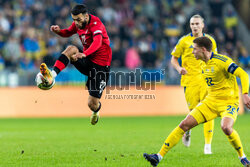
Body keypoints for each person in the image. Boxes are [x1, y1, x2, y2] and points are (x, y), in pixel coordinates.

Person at [143, 36, 250, 167]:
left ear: (203, 49)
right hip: (210, 102)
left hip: (228, 102)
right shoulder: (201, 63)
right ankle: (158, 157)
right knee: (184, 124)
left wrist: (245, 94)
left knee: (226, 127)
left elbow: (243, 75)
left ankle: (242, 157)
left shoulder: (222, 61)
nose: (192, 52)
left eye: (194, 49)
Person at [38, 4, 112, 125]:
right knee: (71, 49)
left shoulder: (96, 24)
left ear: (86, 16)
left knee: (92, 104)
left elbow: (98, 42)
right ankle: (52, 75)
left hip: (100, 67)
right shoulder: (78, 23)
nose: (76, 23)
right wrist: (58, 31)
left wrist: (85, 53)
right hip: (88, 60)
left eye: (78, 20)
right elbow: (67, 32)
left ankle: (96, 111)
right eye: (74, 20)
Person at [171, 14, 217, 154]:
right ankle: (188, 131)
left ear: (202, 25)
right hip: (189, 81)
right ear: (190, 26)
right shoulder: (184, 41)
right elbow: (173, 59)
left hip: (206, 81)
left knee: (208, 111)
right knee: (193, 112)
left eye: (197, 24)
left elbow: (215, 59)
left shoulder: (210, 40)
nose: (195, 26)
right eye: (192, 24)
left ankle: (207, 146)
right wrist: (179, 69)